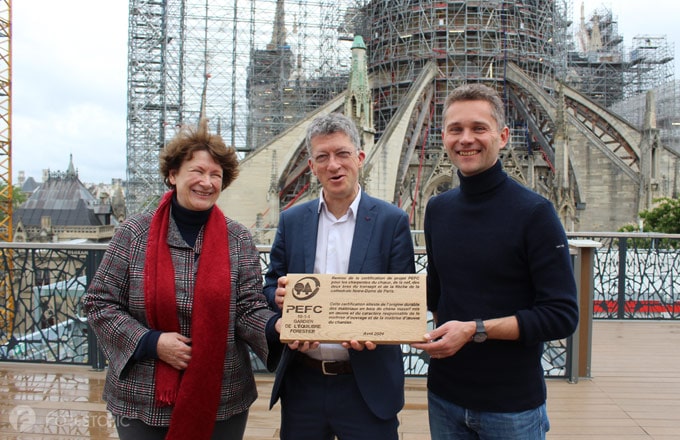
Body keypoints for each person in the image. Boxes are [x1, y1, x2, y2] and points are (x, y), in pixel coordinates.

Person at [83, 119, 282, 440]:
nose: (207, 182)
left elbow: (247, 310)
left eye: (216, 175)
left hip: (222, 395)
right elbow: (99, 303)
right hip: (144, 395)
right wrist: (151, 342)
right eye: (198, 171)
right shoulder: (134, 232)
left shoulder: (238, 238)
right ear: (173, 174)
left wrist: (275, 328)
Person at [411, 84, 579, 439]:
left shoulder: (535, 213)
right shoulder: (438, 209)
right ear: (443, 136)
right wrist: (346, 303)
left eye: (478, 128)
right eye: (456, 129)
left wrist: (474, 330)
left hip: (511, 405)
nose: (465, 139)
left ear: (502, 136)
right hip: (445, 395)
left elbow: (562, 316)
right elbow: (438, 291)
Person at [264, 112, 415, 440]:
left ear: (359, 158)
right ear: (312, 165)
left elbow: (403, 298)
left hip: (367, 386)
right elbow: (272, 282)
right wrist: (277, 297)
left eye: (342, 154)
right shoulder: (292, 221)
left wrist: (378, 331)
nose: (334, 165)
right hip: (303, 383)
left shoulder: (392, 221)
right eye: (323, 157)